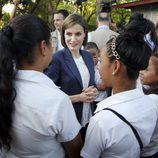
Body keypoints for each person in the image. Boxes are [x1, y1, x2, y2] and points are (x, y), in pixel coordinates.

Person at [0, 14, 82, 158]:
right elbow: (75, 150)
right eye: (52, 42)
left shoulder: (5, 85)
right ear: (43, 47)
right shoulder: (56, 101)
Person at [81, 31, 158, 158]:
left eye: (101, 61)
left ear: (116, 66)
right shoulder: (151, 104)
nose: (98, 67)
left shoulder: (101, 121)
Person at [45, 14, 98, 141]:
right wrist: (79, 98)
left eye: (78, 34)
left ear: (85, 34)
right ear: (63, 34)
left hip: (88, 117)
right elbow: (48, 97)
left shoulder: (88, 56)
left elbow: (90, 84)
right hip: (68, 120)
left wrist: (94, 91)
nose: (73, 39)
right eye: (69, 34)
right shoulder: (57, 58)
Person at [139, 52, 158, 158]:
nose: (141, 72)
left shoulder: (152, 100)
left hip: (147, 152)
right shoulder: (149, 91)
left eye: (146, 69)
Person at [84, 42, 108, 108]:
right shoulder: (83, 66)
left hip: (101, 100)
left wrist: (89, 85)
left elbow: (104, 86)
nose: (91, 57)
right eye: (88, 55)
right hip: (87, 100)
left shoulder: (103, 65)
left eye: (94, 54)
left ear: (99, 52)